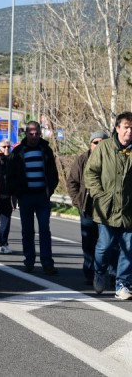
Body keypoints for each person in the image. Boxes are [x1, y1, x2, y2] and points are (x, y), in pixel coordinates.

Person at [84, 113, 132, 299]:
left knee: (129, 248)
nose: (129, 130)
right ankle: (99, 272)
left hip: (129, 210)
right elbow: (91, 173)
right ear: (118, 128)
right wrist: (99, 195)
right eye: (126, 126)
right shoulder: (104, 148)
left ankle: (123, 284)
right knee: (105, 246)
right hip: (106, 209)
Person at [7, 121, 59, 275]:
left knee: (44, 230)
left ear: (40, 134)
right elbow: (10, 175)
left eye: (36, 134)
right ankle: (29, 261)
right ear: (26, 134)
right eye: (31, 134)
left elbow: (53, 173)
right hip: (26, 197)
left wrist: (49, 190)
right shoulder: (17, 152)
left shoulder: (46, 150)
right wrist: (17, 193)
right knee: (27, 231)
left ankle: (47, 263)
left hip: (42, 196)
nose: (34, 137)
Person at [65, 130, 109, 285]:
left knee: (106, 243)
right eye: (95, 142)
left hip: (106, 210)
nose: (98, 145)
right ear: (91, 144)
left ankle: (106, 272)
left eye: (102, 142)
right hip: (87, 209)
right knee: (89, 243)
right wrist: (78, 202)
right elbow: (72, 182)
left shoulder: (111, 159)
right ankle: (89, 273)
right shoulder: (82, 160)